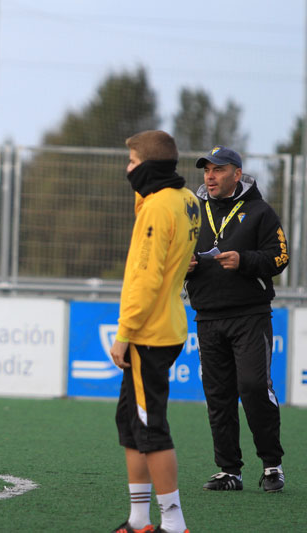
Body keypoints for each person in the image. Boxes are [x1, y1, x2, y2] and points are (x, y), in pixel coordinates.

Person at [109, 130, 199, 533]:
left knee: (150, 427)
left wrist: (124, 332)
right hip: (168, 325)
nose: (127, 169)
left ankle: (174, 524)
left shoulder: (159, 206)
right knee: (131, 423)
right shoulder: (185, 199)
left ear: (148, 166)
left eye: (132, 162)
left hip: (149, 332)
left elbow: (144, 279)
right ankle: (140, 520)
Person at [185, 146, 289, 493]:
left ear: (237, 174)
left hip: (250, 315)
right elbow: (172, 252)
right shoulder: (194, 211)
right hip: (207, 315)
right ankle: (229, 470)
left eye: (217, 170)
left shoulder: (260, 211)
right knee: (218, 395)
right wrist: (181, 264)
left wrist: (244, 260)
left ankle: (272, 465)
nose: (209, 177)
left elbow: (281, 257)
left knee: (254, 387)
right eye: (206, 171)